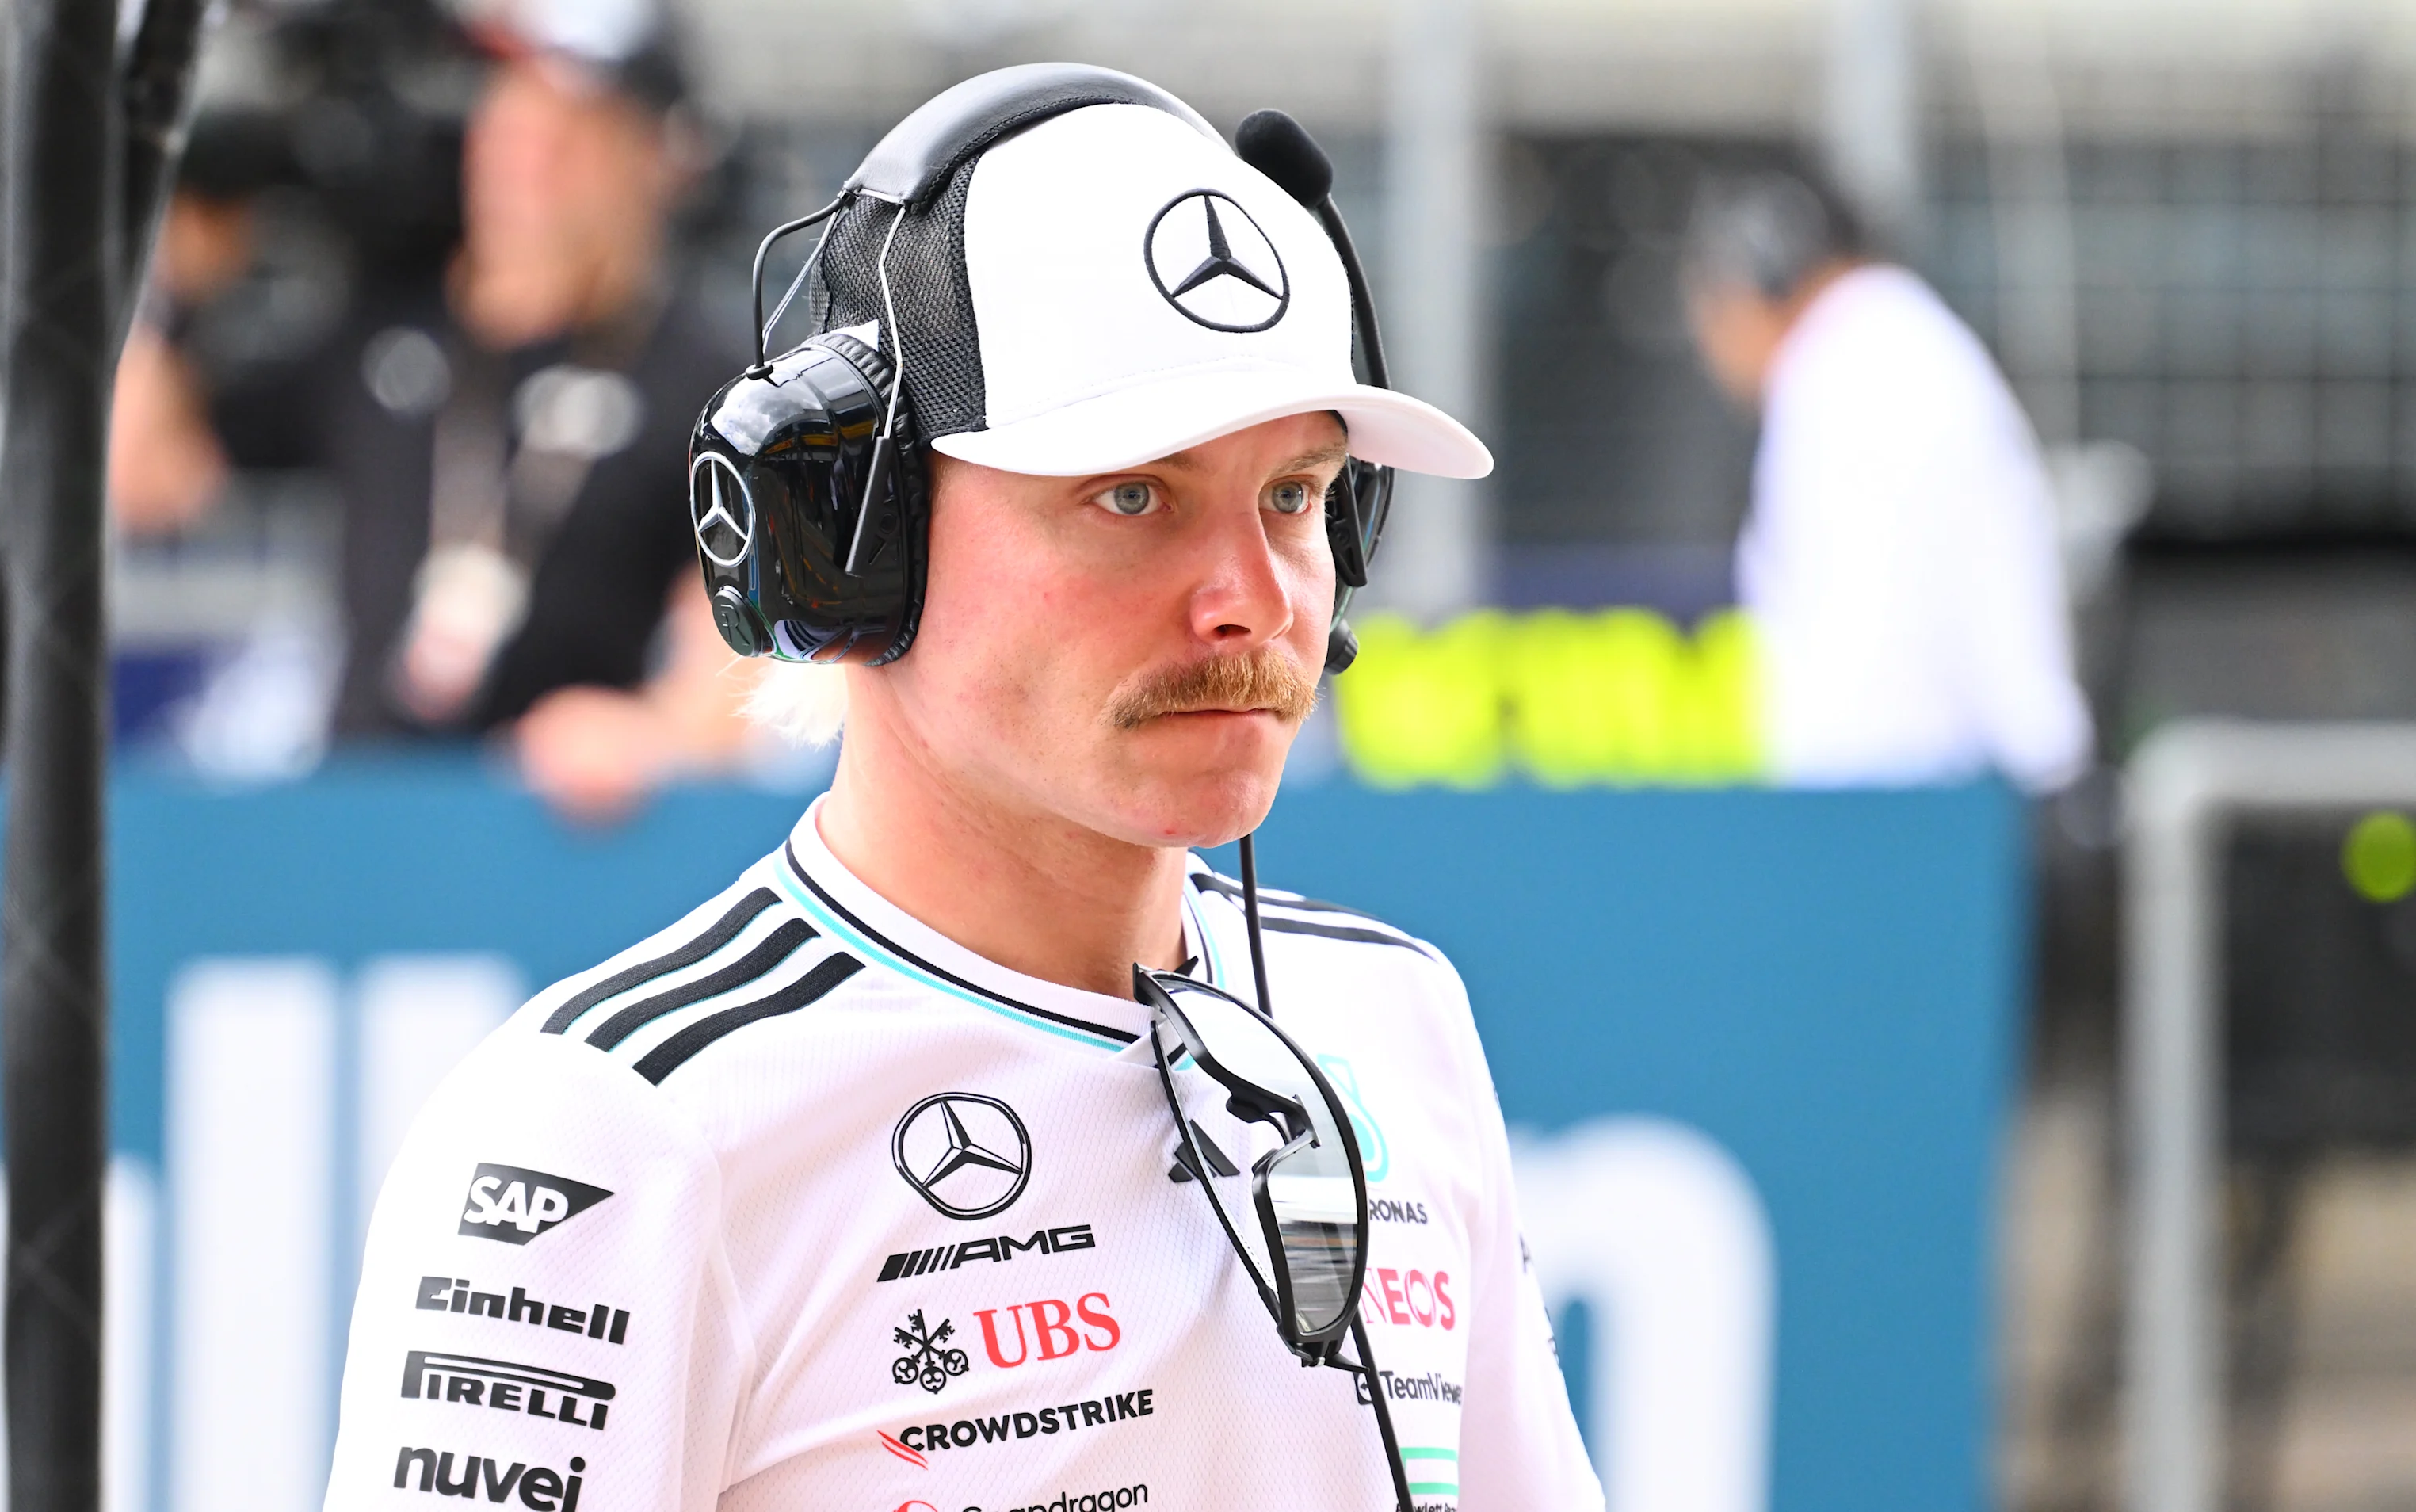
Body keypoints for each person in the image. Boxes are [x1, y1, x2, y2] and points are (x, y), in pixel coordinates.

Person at [322, 67, 1600, 1512]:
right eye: (1132, 496)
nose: (1250, 600)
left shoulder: (1399, 1016)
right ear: (848, 545)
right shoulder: (613, 1136)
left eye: (1294, 496)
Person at [108, 0, 751, 819]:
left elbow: (743, 655)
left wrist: (654, 734)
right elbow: (145, 482)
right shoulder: (384, 324)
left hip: (562, 837)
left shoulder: (701, 376)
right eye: (505, 123)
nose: (526, 160)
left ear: (654, 157)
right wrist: (180, 287)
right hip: (359, 819)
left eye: (569, 131)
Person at [1681, 166, 2092, 791]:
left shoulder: (1849, 371)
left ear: (1761, 276)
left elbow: (1863, 678)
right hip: (1955, 797)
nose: (1710, 347)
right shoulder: (1896, 350)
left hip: (1908, 808)